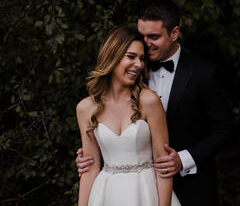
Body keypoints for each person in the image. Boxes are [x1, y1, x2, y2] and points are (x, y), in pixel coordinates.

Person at [76, 0, 232, 205]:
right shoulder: (131, 69)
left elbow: (225, 130)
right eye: (142, 36)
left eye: (154, 37)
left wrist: (183, 159)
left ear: (174, 33)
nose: (146, 44)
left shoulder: (204, 74)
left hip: (191, 183)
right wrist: (94, 154)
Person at [76, 25, 181, 206]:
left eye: (142, 59)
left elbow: (163, 167)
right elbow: (89, 169)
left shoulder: (149, 101)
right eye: (131, 57)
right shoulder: (85, 108)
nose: (139, 65)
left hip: (147, 194)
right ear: (112, 56)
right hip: (106, 195)